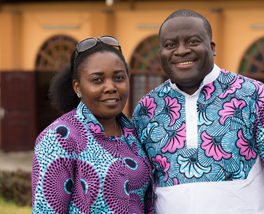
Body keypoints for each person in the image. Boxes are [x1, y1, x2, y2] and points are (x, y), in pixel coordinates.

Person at [132, 9, 264, 214]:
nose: (181, 51)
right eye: (170, 45)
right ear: (161, 53)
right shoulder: (146, 108)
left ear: (211, 48)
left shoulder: (254, 95)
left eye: (193, 41)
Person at [32, 35, 152, 214]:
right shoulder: (60, 137)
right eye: (97, 80)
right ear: (77, 87)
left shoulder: (134, 134)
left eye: (119, 78)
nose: (111, 87)